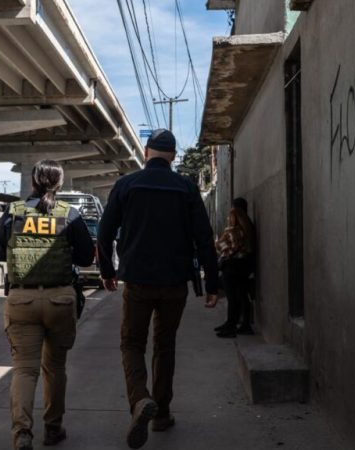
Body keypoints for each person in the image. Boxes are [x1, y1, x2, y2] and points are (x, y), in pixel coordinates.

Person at [97, 129, 220, 449]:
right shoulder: (186, 187)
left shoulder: (125, 185)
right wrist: (213, 285)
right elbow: (205, 238)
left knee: (132, 344)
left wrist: (108, 272)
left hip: (137, 281)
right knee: (165, 346)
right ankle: (162, 413)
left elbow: (105, 233)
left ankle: (140, 400)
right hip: (175, 283)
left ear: (146, 152)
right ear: (174, 157)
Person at [0, 160, 95, 450]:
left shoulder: (12, 212)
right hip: (60, 299)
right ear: (59, 184)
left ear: (33, 182)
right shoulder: (69, 214)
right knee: (55, 367)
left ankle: (22, 433)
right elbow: (87, 257)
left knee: (24, 370)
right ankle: (53, 429)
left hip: (21, 299)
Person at [214, 206, 255, 337]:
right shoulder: (246, 230)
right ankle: (242, 325)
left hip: (231, 267)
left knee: (232, 298)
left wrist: (219, 244)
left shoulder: (232, 231)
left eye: (230, 216)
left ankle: (231, 326)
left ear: (235, 218)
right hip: (242, 267)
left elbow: (221, 246)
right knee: (241, 296)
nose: (228, 218)